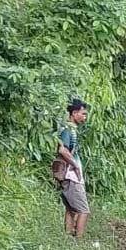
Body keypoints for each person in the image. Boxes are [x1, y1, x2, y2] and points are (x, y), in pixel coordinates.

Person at [52, 99, 90, 238]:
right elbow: (62, 150)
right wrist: (75, 166)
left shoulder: (68, 129)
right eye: (83, 113)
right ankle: (79, 242)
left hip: (67, 175)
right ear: (74, 113)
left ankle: (67, 239)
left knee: (71, 210)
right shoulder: (68, 130)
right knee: (83, 210)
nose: (84, 117)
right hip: (71, 175)